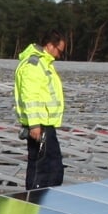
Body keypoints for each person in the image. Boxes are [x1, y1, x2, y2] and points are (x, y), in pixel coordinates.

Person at [14, 33, 67, 191]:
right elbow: (30, 96)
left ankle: (42, 199)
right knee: (45, 168)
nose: (59, 55)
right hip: (40, 125)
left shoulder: (44, 63)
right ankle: (38, 200)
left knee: (50, 166)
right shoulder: (35, 64)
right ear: (50, 45)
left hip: (45, 124)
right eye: (59, 51)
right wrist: (34, 124)